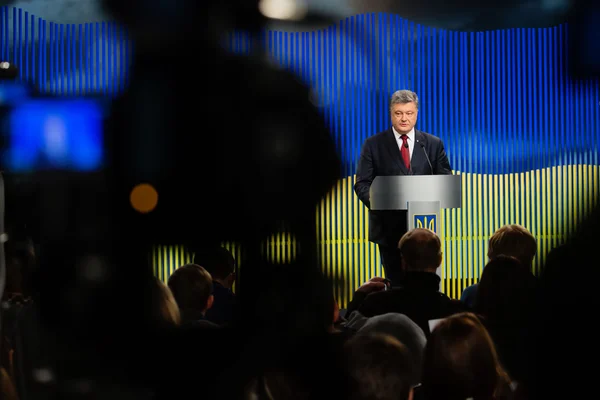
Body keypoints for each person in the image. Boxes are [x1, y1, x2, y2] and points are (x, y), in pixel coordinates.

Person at [354, 90, 452, 284]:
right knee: (396, 284)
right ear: (391, 114)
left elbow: (445, 181)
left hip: (425, 230)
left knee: (425, 283)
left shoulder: (432, 144)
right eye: (399, 113)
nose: (404, 119)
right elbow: (362, 184)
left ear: (416, 113)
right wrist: (380, 201)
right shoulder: (374, 144)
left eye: (409, 113)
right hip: (388, 230)